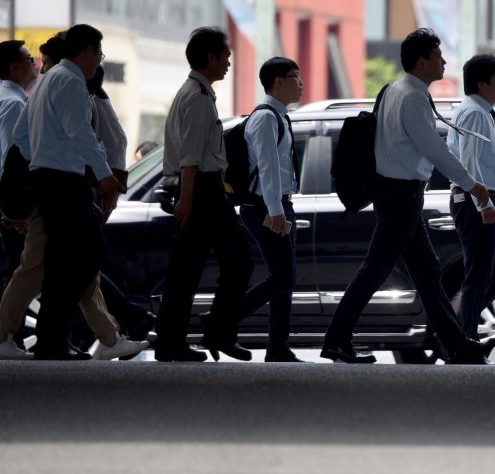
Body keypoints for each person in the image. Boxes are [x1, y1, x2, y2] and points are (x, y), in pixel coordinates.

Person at [321, 28, 492, 364]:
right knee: (375, 269)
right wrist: (472, 184)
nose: (444, 62)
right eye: (438, 56)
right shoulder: (412, 97)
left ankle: (456, 345)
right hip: (401, 195)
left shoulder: (393, 90)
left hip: (396, 193)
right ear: (421, 61)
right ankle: (336, 340)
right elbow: (435, 150)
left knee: (427, 271)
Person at [0, 53, 148, 360]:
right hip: (51, 195)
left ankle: (108, 337)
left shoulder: (39, 95)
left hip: (50, 192)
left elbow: (23, 145)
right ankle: (18, 335)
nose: (37, 65)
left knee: (78, 265)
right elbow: (23, 151)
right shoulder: (33, 98)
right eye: (32, 59)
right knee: (44, 267)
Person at [12, 24, 123, 360]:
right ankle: (52, 337)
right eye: (99, 54)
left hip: (47, 179)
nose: (99, 62)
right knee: (88, 252)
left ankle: (52, 340)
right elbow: (81, 134)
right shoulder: (72, 81)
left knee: (63, 260)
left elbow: (20, 135)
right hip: (63, 182)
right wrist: (105, 176)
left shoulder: (45, 81)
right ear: (88, 51)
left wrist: (41, 158)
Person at [155, 27, 253, 362]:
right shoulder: (197, 97)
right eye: (225, 56)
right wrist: (187, 198)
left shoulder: (194, 91)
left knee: (187, 268)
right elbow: (191, 157)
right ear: (211, 57)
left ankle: (175, 340)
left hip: (201, 188)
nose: (228, 62)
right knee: (237, 259)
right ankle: (215, 333)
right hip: (201, 189)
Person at [446, 54, 495, 348]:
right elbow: (468, 163)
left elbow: (482, 161)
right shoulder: (474, 112)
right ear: (481, 83)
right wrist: (484, 204)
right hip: (475, 201)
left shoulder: (480, 111)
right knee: (479, 275)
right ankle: (465, 339)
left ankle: (460, 326)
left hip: (485, 197)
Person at [236, 57, 304, 363]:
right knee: (284, 277)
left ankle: (278, 347)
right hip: (265, 206)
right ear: (278, 81)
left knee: (283, 278)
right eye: (295, 77)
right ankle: (222, 320)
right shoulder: (265, 118)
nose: (301, 84)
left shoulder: (280, 116)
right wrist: (276, 210)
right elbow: (268, 167)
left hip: (279, 205)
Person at [0, 41, 37, 295]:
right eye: (29, 59)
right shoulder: (14, 104)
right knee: (17, 272)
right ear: (14, 68)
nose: (34, 64)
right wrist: (15, 208)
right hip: (9, 200)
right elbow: (11, 158)